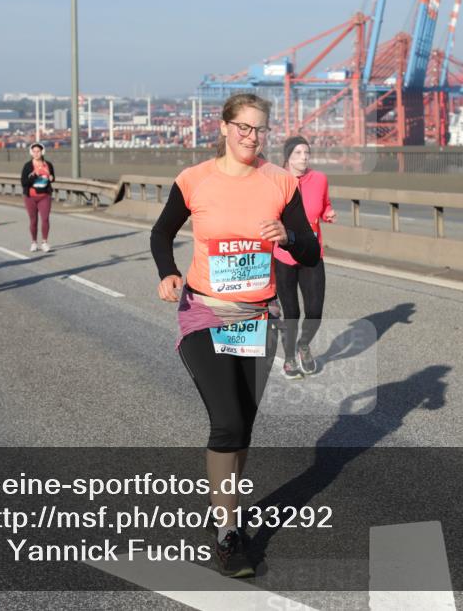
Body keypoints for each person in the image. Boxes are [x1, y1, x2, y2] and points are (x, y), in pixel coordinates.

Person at [150, 93, 319, 578]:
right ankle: (228, 534)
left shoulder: (281, 182)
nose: (251, 136)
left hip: (255, 317)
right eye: (242, 127)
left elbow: (309, 251)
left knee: (243, 423)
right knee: (226, 420)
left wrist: (288, 238)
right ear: (224, 127)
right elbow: (162, 233)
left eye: (259, 128)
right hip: (205, 312)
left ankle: (220, 506)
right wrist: (167, 273)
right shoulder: (194, 180)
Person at [273, 136, 335, 379]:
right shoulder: (276, 181)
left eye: (306, 153)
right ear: (288, 157)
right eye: (298, 153)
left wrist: (328, 213)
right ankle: (289, 357)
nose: (304, 157)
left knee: (315, 311)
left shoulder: (319, 179)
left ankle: (304, 345)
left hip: (311, 254)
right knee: (291, 313)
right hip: (284, 256)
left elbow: (324, 205)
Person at [20, 142, 55, 252]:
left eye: (38, 151)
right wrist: (34, 174)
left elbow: (52, 177)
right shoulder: (28, 166)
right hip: (30, 197)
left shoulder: (48, 164)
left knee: (45, 219)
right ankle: (34, 242)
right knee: (33, 220)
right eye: (34, 151)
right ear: (31, 153)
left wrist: (51, 177)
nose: (36, 153)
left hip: (44, 196)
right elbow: (24, 182)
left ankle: (44, 242)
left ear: (42, 152)